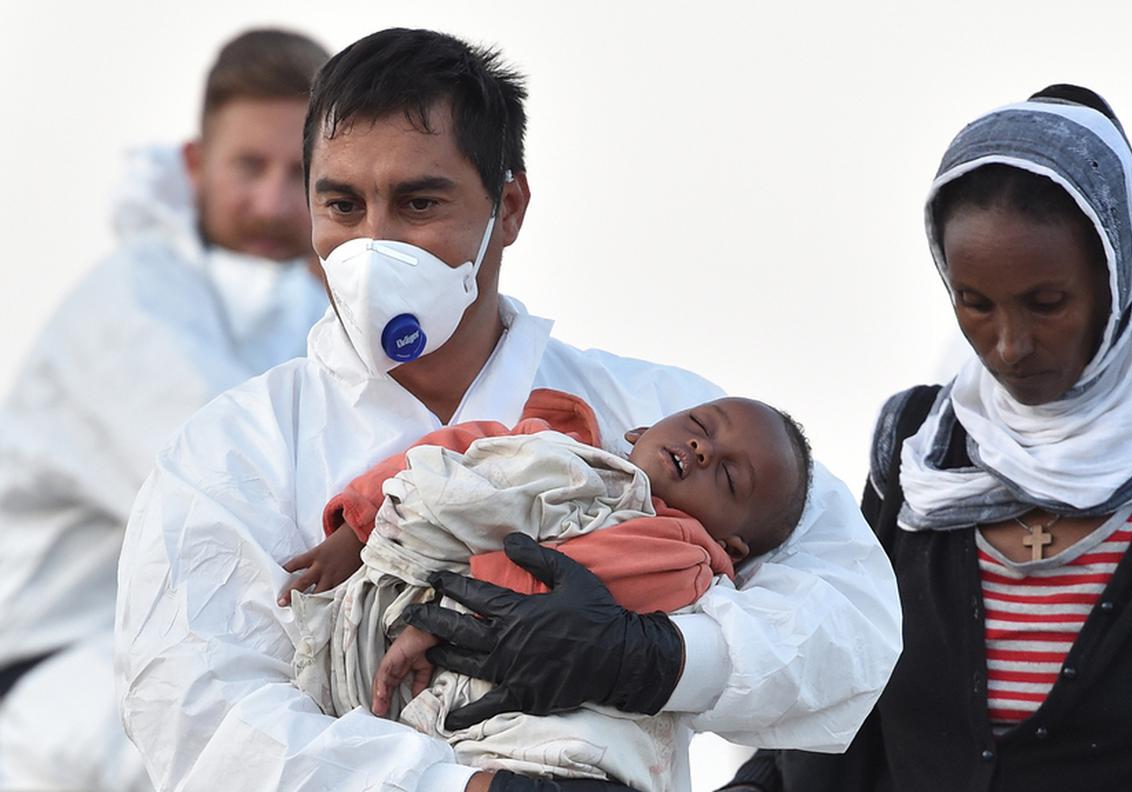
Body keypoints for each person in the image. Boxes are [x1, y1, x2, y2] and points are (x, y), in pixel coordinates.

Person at [114, 28, 901, 792]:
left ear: (511, 208)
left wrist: (658, 655)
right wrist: (476, 787)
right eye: (344, 207)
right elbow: (203, 720)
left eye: (419, 203)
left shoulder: (669, 423)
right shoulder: (232, 453)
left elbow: (852, 622)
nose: (374, 247)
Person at [722, 86, 1132, 792]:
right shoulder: (919, 451)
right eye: (974, 303)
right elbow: (838, 693)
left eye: (1047, 304)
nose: (1011, 345)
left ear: (1122, 283)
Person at [0, 29, 329, 792]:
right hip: (58, 694)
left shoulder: (290, 307)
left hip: (170, 674)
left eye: (304, 175)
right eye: (250, 166)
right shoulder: (133, 302)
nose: (274, 204)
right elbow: (245, 506)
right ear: (195, 164)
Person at [281, 389, 811, 792]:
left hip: (500, 669)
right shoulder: (549, 442)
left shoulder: (681, 552)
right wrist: (358, 524)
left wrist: (448, 613)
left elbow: (570, 578)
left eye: (729, 478)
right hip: (409, 595)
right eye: (701, 426)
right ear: (641, 430)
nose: (702, 449)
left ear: (733, 547)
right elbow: (449, 454)